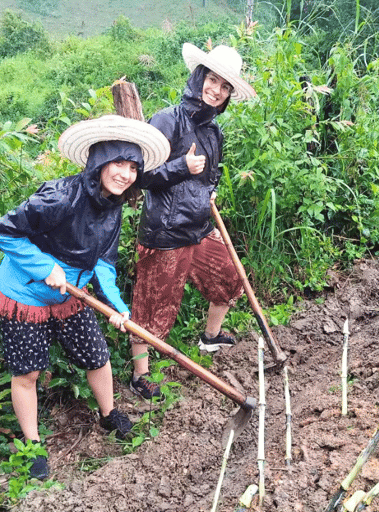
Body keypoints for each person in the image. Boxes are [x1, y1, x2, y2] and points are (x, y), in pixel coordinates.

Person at [0, 115, 169, 479]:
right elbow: (3, 232)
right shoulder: (59, 196)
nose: (126, 174)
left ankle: (108, 414)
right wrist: (44, 266)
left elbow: (104, 263)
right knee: (28, 372)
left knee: (97, 356)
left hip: (73, 294)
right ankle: (32, 445)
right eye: (119, 163)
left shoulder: (113, 208)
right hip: (24, 293)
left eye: (133, 167)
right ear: (99, 161)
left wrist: (118, 308)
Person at [128, 43, 257, 400]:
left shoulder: (214, 131)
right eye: (212, 80)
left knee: (229, 278)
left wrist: (210, 192)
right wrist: (180, 167)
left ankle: (211, 337)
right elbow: (139, 176)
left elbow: (211, 175)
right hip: (166, 232)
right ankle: (140, 375)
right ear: (199, 78)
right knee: (153, 305)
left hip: (200, 228)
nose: (216, 90)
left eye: (225, 86)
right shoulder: (166, 120)